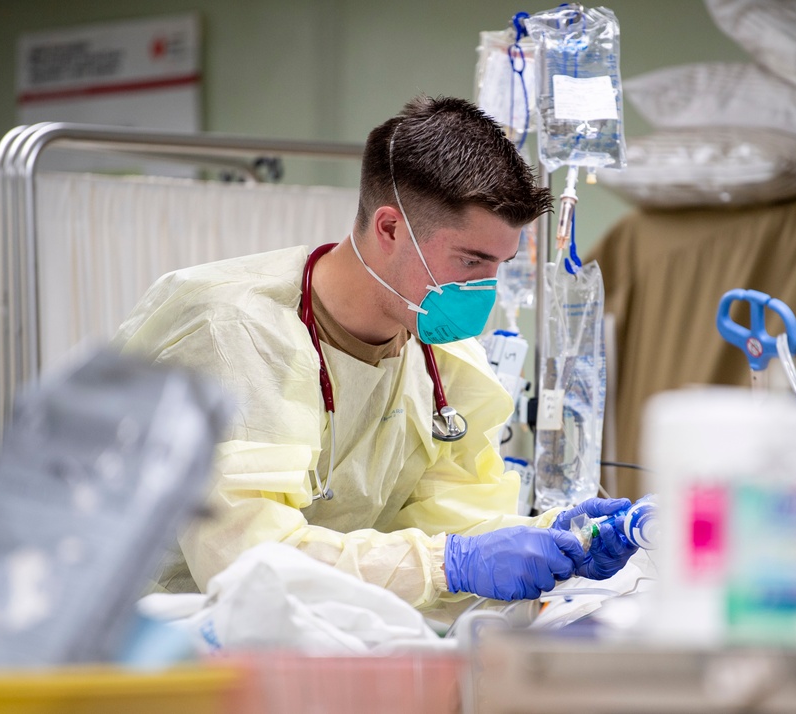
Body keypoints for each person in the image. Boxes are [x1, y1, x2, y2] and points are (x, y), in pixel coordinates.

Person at [113, 95, 635, 614]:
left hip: (322, 638)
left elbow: (454, 528)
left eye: (499, 264)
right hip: (164, 643)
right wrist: (447, 565)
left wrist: (556, 540)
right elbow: (251, 565)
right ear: (389, 228)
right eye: (471, 260)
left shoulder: (444, 358)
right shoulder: (234, 332)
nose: (486, 289)